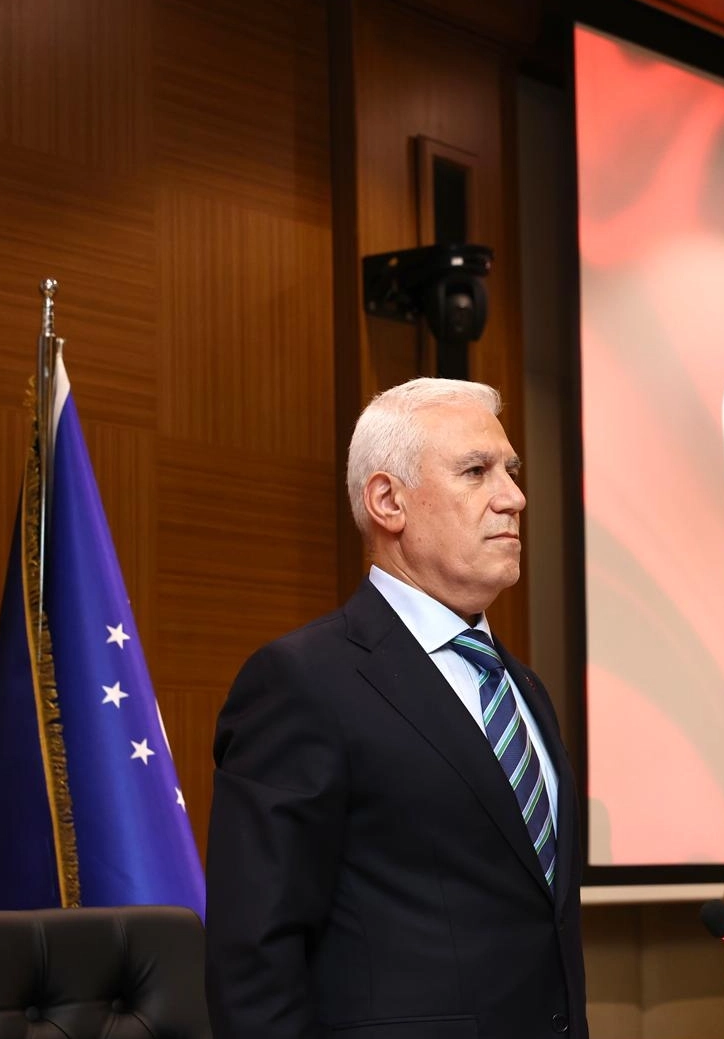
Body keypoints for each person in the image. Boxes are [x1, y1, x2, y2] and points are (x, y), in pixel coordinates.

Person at [205, 378, 586, 1039]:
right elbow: (254, 958)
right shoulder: (302, 681)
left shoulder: (525, 688)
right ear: (387, 501)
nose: (513, 497)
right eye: (477, 471)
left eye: (511, 471)